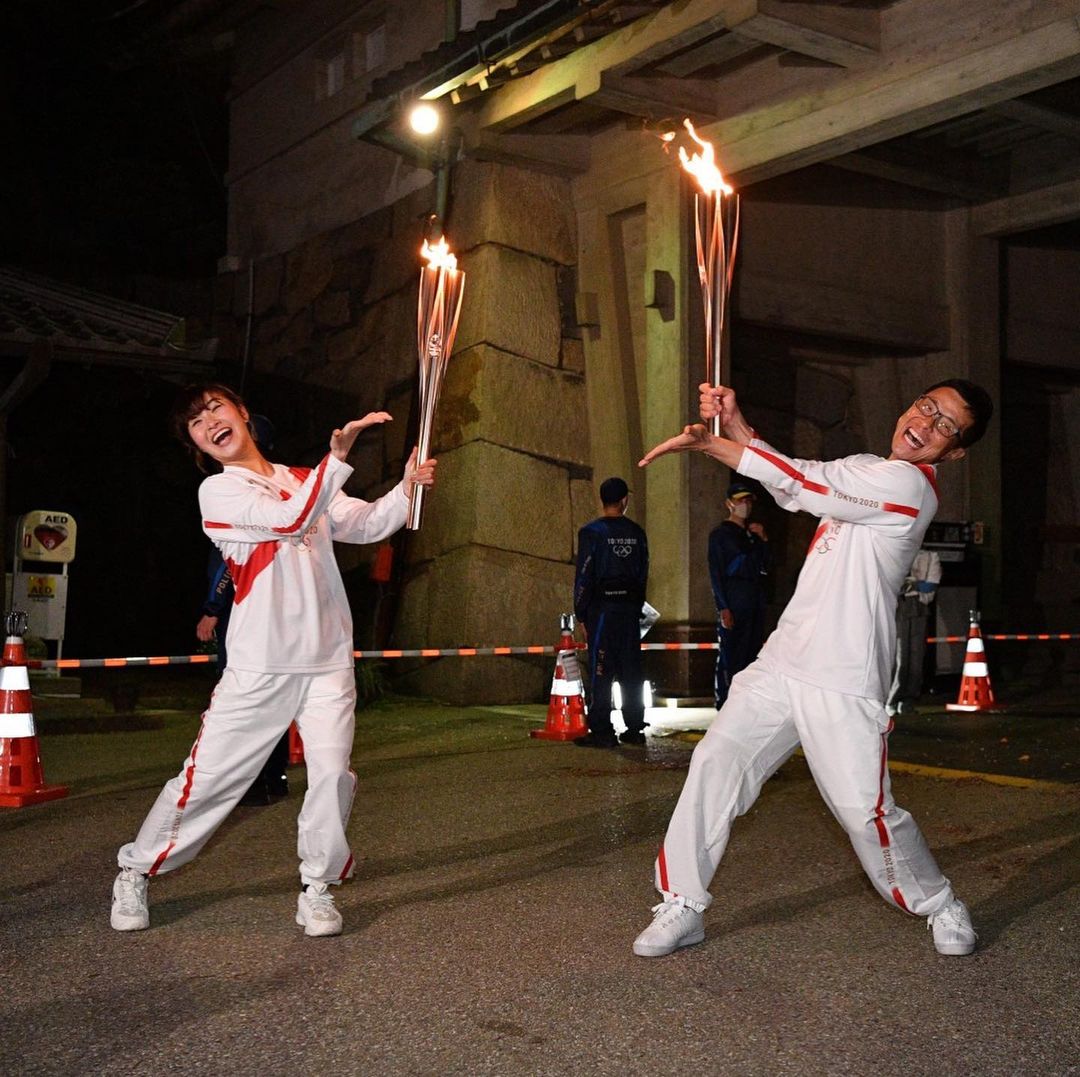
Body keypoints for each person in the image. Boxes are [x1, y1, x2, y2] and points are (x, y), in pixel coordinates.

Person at [632, 379, 992, 959]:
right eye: (927, 407)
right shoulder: (866, 465)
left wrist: (714, 446)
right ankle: (683, 903)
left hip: (845, 677)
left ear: (952, 453)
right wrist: (738, 421)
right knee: (715, 760)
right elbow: (800, 477)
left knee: (865, 814)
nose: (926, 423)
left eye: (945, 425)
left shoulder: (908, 486)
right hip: (783, 660)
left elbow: (801, 484)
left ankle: (939, 902)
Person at [110, 383, 436, 937]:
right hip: (261, 665)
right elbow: (288, 522)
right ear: (199, 446)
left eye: (215, 407)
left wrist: (408, 488)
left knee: (331, 775)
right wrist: (335, 460)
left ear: (242, 413)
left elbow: (364, 524)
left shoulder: (300, 479)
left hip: (328, 658)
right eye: (196, 422)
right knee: (210, 781)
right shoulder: (219, 493)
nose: (210, 421)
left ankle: (318, 888)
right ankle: (136, 869)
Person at [195, 413, 289, 806]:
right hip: (283, 616)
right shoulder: (283, 485)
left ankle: (245, 783)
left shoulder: (233, 491)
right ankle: (274, 779)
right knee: (277, 698)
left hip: (246, 615)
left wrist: (211, 609)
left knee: (242, 699)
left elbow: (228, 568)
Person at [573, 476, 650, 748]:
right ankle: (635, 727)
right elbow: (642, 574)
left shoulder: (592, 533)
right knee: (631, 669)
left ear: (603, 499)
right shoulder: (636, 533)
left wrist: (581, 612)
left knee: (601, 668)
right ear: (624, 500)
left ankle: (603, 730)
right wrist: (637, 606)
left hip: (602, 611)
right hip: (628, 611)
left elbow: (585, 573)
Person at [708, 481, 771, 709]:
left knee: (751, 655)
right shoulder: (720, 535)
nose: (745, 505)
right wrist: (723, 606)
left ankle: (745, 703)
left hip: (753, 600)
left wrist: (763, 540)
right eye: (740, 500)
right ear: (729, 504)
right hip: (734, 599)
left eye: (748, 501)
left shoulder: (752, 534)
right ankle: (725, 703)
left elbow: (764, 567)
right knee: (731, 655)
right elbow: (716, 573)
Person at [887, 547, 942, 716]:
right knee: (900, 656)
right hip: (898, 607)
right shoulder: (895, 550)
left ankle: (908, 700)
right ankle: (892, 699)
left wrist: (912, 584)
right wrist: (915, 584)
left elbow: (931, 584)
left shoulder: (930, 555)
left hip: (918, 606)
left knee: (916, 657)